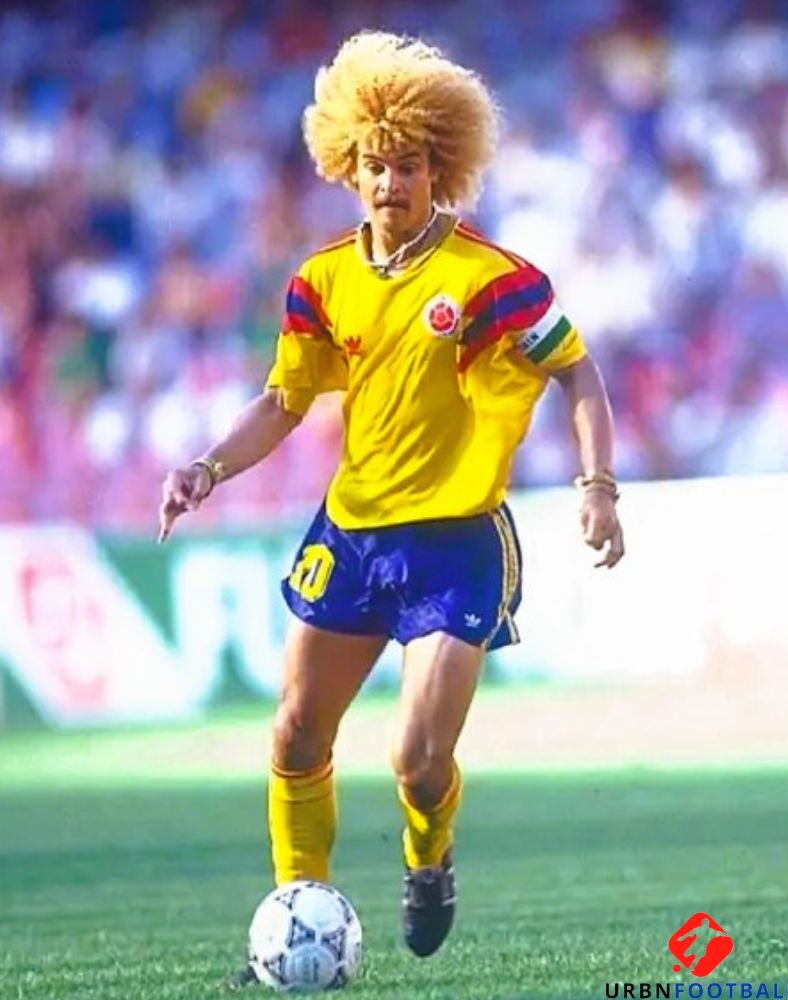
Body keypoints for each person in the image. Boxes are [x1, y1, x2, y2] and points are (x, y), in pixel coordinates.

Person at [158, 30, 624, 981]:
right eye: (374, 166)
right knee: (295, 732)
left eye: (408, 166)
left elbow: (578, 372)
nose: (389, 183)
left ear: (438, 169)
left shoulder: (493, 280)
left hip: (457, 544)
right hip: (354, 533)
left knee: (417, 758)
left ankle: (428, 856)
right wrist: (206, 469)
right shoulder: (322, 281)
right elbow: (283, 402)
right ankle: (296, 912)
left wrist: (598, 487)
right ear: (348, 168)